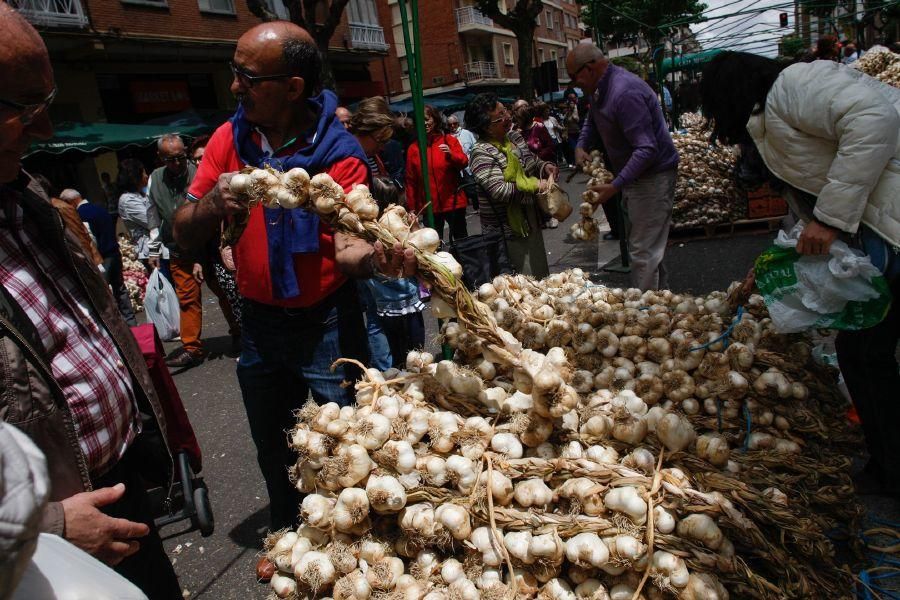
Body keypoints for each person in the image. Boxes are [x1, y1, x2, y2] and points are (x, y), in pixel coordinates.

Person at [172, 21, 414, 536]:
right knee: (273, 441)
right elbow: (183, 230)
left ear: (293, 87)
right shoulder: (227, 139)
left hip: (327, 322)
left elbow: (347, 246)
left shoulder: (339, 152)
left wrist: (377, 261)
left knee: (347, 444)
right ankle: (289, 534)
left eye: (246, 76)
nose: (234, 85)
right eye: (233, 72)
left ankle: (355, 545)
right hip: (258, 324)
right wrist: (215, 202)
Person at [0, 6, 180, 597]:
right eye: (24, 109)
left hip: (117, 490)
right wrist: (47, 526)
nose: (46, 129)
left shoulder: (23, 197)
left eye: (46, 99)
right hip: (37, 552)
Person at [699, 50, 900, 500]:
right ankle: (886, 465)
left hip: (893, 224)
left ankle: (892, 469)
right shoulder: (771, 116)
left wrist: (830, 219)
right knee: (862, 350)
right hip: (885, 227)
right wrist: (781, 253)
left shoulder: (793, 87)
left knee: (869, 352)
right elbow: (810, 196)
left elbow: (875, 119)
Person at [568, 42, 679, 291]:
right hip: (636, 177)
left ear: (590, 68)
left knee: (643, 251)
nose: (575, 84)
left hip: (652, 176)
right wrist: (581, 145)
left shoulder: (624, 92)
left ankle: (645, 314)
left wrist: (616, 185)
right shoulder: (598, 89)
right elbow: (592, 120)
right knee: (646, 247)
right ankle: (660, 303)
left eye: (574, 77)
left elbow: (647, 148)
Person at [349, 97, 426, 368]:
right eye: (380, 141)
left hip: (371, 235)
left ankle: (387, 366)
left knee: (375, 314)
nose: (382, 148)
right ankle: (384, 368)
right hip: (363, 242)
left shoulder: (367, 157)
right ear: (369, 132)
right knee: (376, 314)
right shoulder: (351, 158)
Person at [466, 92, 558, 278]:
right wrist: (534, 186)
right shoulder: (481, 152)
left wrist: (544, 166)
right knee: (522, 282)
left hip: (529, 219)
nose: (508, 117)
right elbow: (499, 191)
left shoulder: (514, 138)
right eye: (500, 117)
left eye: (506, 111)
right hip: (505, 231)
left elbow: (532, 161)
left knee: (540, 274)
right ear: (486, 127)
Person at [148, 134, 206, 368]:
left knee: (225, 291)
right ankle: (192, 348)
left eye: (181, 157)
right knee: (187, 298)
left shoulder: (199, 173)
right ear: (161, 158)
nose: (178, 163)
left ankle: (239, 333)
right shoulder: (155, 179)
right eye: (171, 159)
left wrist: (201, 256)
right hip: (178, 248)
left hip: (206, 244)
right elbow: (152, 213)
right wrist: (154, 249)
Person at [190, 135, 242, 349]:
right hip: (216, 254)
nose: (200, 162)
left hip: (240, 251)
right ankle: (241, 336)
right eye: (196, 159)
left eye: (204, 157)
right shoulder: (196, 189)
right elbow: (194, 229)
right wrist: (197, 260)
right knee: (231, 297)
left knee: (245, 297)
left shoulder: (235, 180)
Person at [64, 188, 138, 327]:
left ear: (71, 201)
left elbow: (90, 238)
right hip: (115, 253)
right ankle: (131, 322)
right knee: (120, 288)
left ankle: (118, 326)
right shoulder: (100, 208)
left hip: (103, 258)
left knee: (104, 293)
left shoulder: (81, 214)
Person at [405, 104, 469, 241]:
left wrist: (451, 154)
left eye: (427, 119)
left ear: (435, 119)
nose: (424, 123)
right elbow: (411, 181)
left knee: (461, 240)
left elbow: (464, 162)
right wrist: (412, 208)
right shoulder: (413, 149)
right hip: (429, 207)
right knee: (433, 244)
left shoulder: (449, 140)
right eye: (420, 120)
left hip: (453, 202)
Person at [116, 159, 165, 272]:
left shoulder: (141, 194)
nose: (146, 176)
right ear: (134, 177)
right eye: (143, 173)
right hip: (150, 253)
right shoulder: (128, 200)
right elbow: (151, 221)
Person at [448, 113, 479, 213]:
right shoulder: (447, 137)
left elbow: (475, 147)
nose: (453, 126)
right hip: (457, 168)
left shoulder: (467, 133)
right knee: (461, 189)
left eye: (455, 124)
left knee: (472, 187)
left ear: (458, 123)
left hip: (469, 165)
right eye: (450, 125)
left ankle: (477, 206)